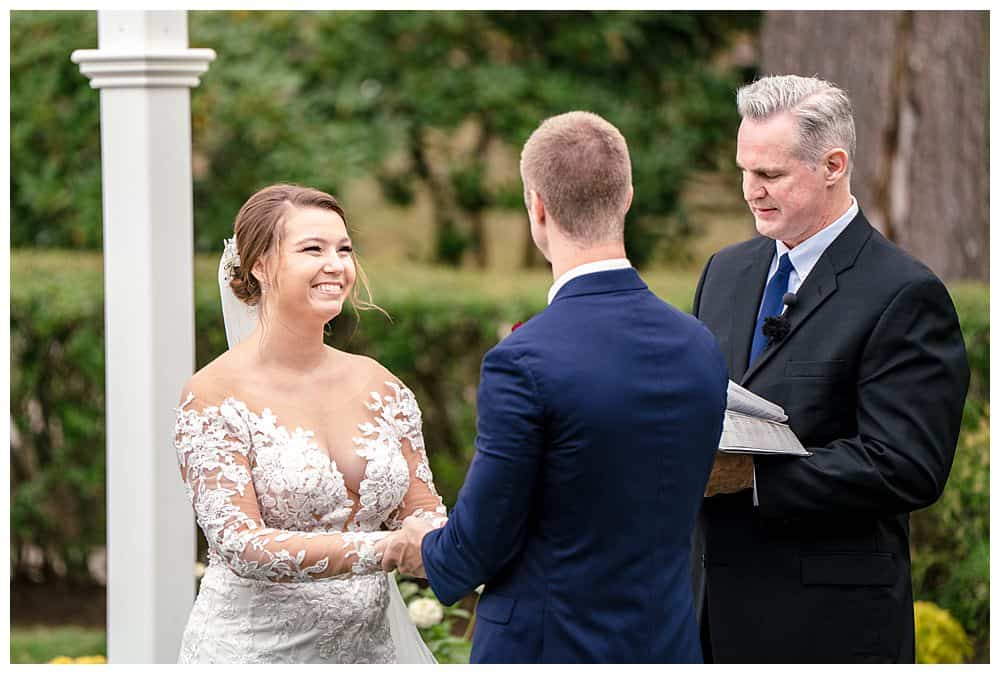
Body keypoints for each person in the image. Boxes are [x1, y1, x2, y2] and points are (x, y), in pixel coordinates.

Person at [376, 111, 729, 663]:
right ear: (627, 196)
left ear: (536, 206)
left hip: (550, 648)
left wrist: (423, 548)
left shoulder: (523, 361)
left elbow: (482, 540)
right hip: (668, 643)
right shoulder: (699, 345)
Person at [691, 75, 969, 663]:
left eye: (770, 175)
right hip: (705, 616)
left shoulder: (906, 293)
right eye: (744, 171)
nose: (750, 191)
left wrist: (751, 476)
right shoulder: (724, 271)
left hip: (826, 628)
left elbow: (907, 465)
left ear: (833, 165)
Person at [172, 184, 446, 663]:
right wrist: (384, 550)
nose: (336, 264)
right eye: (312, 249)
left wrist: (446, 537)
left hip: (369, 654)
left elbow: (421, 514)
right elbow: (241, 544)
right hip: (254, 655)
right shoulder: (214, 394)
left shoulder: (382, 386)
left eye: (344, 249)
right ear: (259, 265)